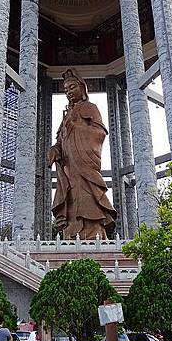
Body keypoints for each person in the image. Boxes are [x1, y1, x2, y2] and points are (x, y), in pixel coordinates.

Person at [48, 68, 117, 239]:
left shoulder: (89, 108)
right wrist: (55, 150)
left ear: (82, 88)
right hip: (70, 168)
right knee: (70, 197)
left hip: (85, 165)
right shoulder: (67, 115)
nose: (69, 93)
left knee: (88, 198)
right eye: (66, 90)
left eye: (72, 87)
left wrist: (77, 127)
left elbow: (99, 133)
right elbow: (61, 140)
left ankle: (94, 234)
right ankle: (71, 234)